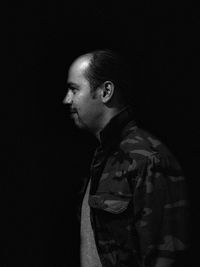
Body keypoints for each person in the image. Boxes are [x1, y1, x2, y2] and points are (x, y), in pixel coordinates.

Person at [63, 49, 189, 267]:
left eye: (74, 89)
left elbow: (165, 257)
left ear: (106, 91)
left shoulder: (148, 160)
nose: (67, 100)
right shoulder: (101, 157)